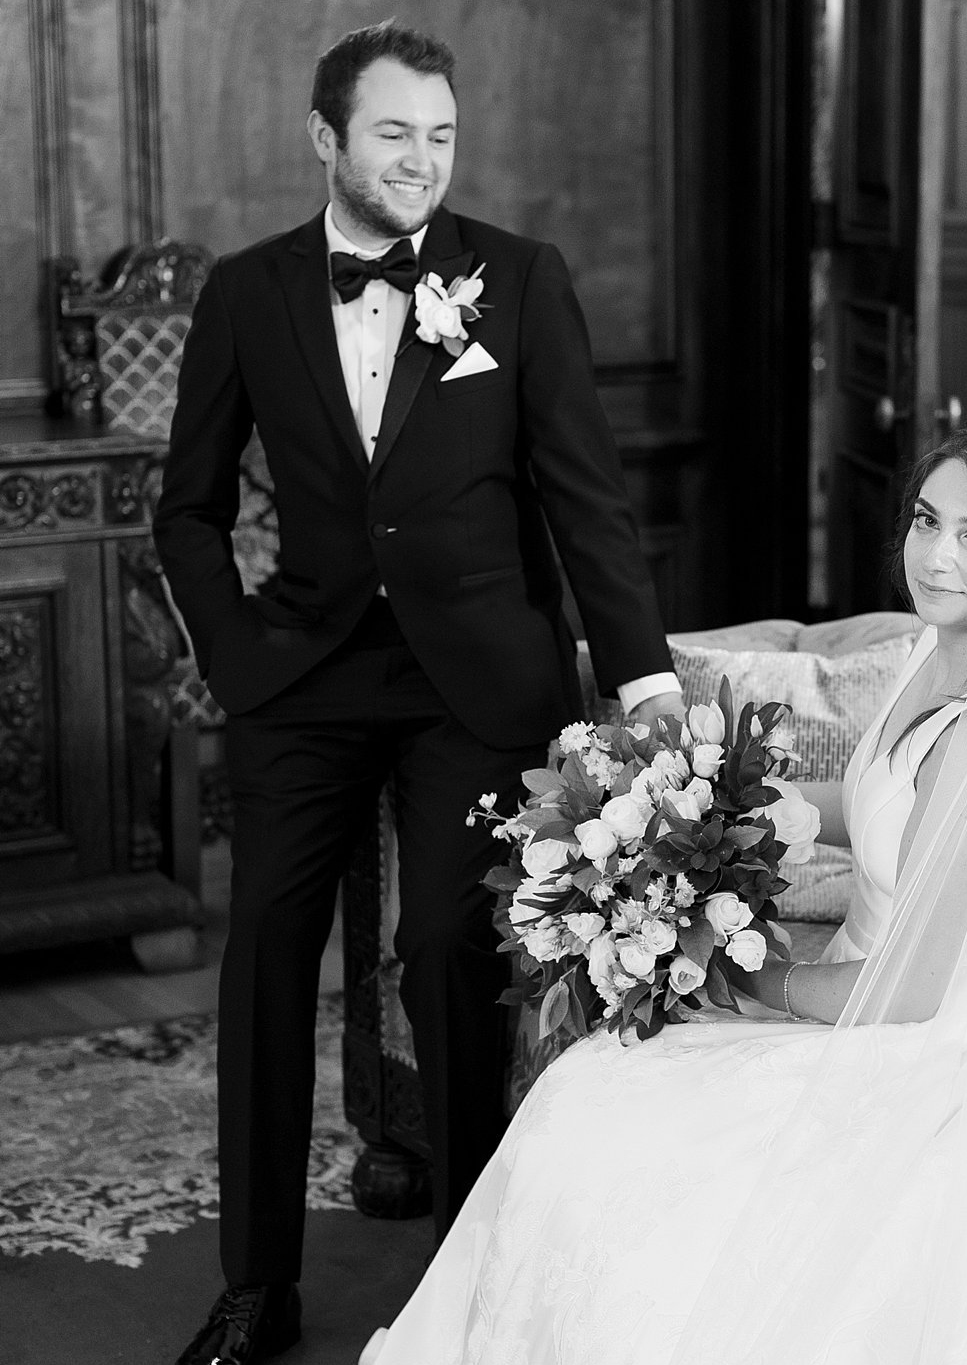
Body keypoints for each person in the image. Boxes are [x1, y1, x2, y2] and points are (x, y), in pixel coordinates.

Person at [360, 414, 967, 1365]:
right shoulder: (932, 654)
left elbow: (910, 993)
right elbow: (881, 803)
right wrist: (693, 810)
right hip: (868, 994)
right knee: (594, 1093)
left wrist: (730, 984)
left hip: (944, 1038)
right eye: (926, 519)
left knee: (611, 1122)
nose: (937, 555)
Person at [153, 21, 682, 1365]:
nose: (421, 161)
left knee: (446, 948)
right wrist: (234, 652)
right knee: (268, 952)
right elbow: (188, 510)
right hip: (306, 675)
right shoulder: (251, 292)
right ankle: (258, 1286)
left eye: (439, 136)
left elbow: (583, 497)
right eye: (394, 133)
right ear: (326, 138)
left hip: (477, 681)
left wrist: (644, 677)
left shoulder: (517, 277)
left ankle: (471, 1262)